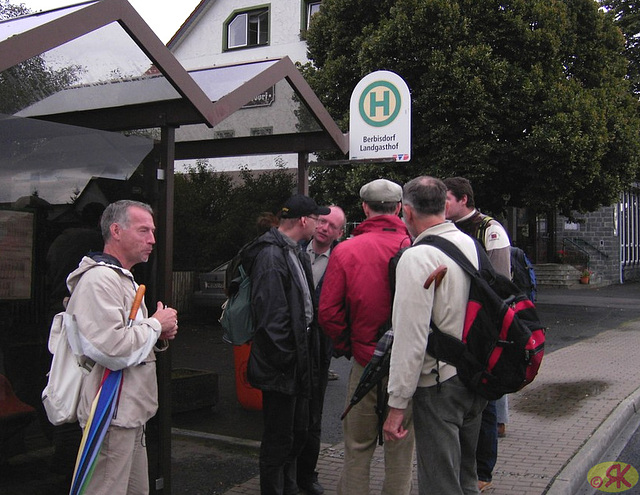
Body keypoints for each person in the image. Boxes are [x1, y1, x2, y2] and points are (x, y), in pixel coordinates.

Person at [65, 200, 178, 494]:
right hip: (111, 415)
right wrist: (155, 325)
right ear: (116, 230)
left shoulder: (120, 278)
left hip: (129, 414)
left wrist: (158, 332)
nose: (152, 239)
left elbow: (126, 340)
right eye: (144, 230)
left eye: (152, 231)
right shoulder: (99, 280)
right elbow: (111, 349)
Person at [383, 176, 487, 495]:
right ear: (444, 206)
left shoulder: (417, 257)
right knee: (467, 476)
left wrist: (397, 405)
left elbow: (411, 336)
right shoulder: (470, 244)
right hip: (474, 374)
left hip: (439, 383)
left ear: (409, 213)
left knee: (439, 482)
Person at [319, 179, 413, 495]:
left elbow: (328, 313)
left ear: (364, 208)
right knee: (401, 452)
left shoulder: (345, 250)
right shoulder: (417, 247)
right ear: (399, 208)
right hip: (407, 366)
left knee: (357, 448)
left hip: (364, 362)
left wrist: (350, 346)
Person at [244, 194, 330, 495]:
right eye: (317, 219)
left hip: (295, 365)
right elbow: (271, 321)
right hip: (283, 370)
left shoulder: (293, 251)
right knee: (278, 441)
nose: (320, 225)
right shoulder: (271, 256)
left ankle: (290, 488)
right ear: (304, 221)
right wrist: (290, 363)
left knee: (296, 434)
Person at [443, 176, 512, 492]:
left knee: (483, 403)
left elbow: (500, 284)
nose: (442, 205)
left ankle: (483, 472)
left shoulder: (490, 230)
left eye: (446, 199)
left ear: (463, 199)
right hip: (455, 329)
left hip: (482, 330)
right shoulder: (448, 229)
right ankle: (465, 467)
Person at [297, 205, 346, 495]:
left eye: (332, 225)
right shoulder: (295, 250)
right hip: (292, 342)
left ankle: (307, 474)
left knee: (314, 412)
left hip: (320, 345)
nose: (324, 227)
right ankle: (289, 472)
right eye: (323, 221)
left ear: (340, 233)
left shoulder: (341, 259)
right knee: (291, 410)